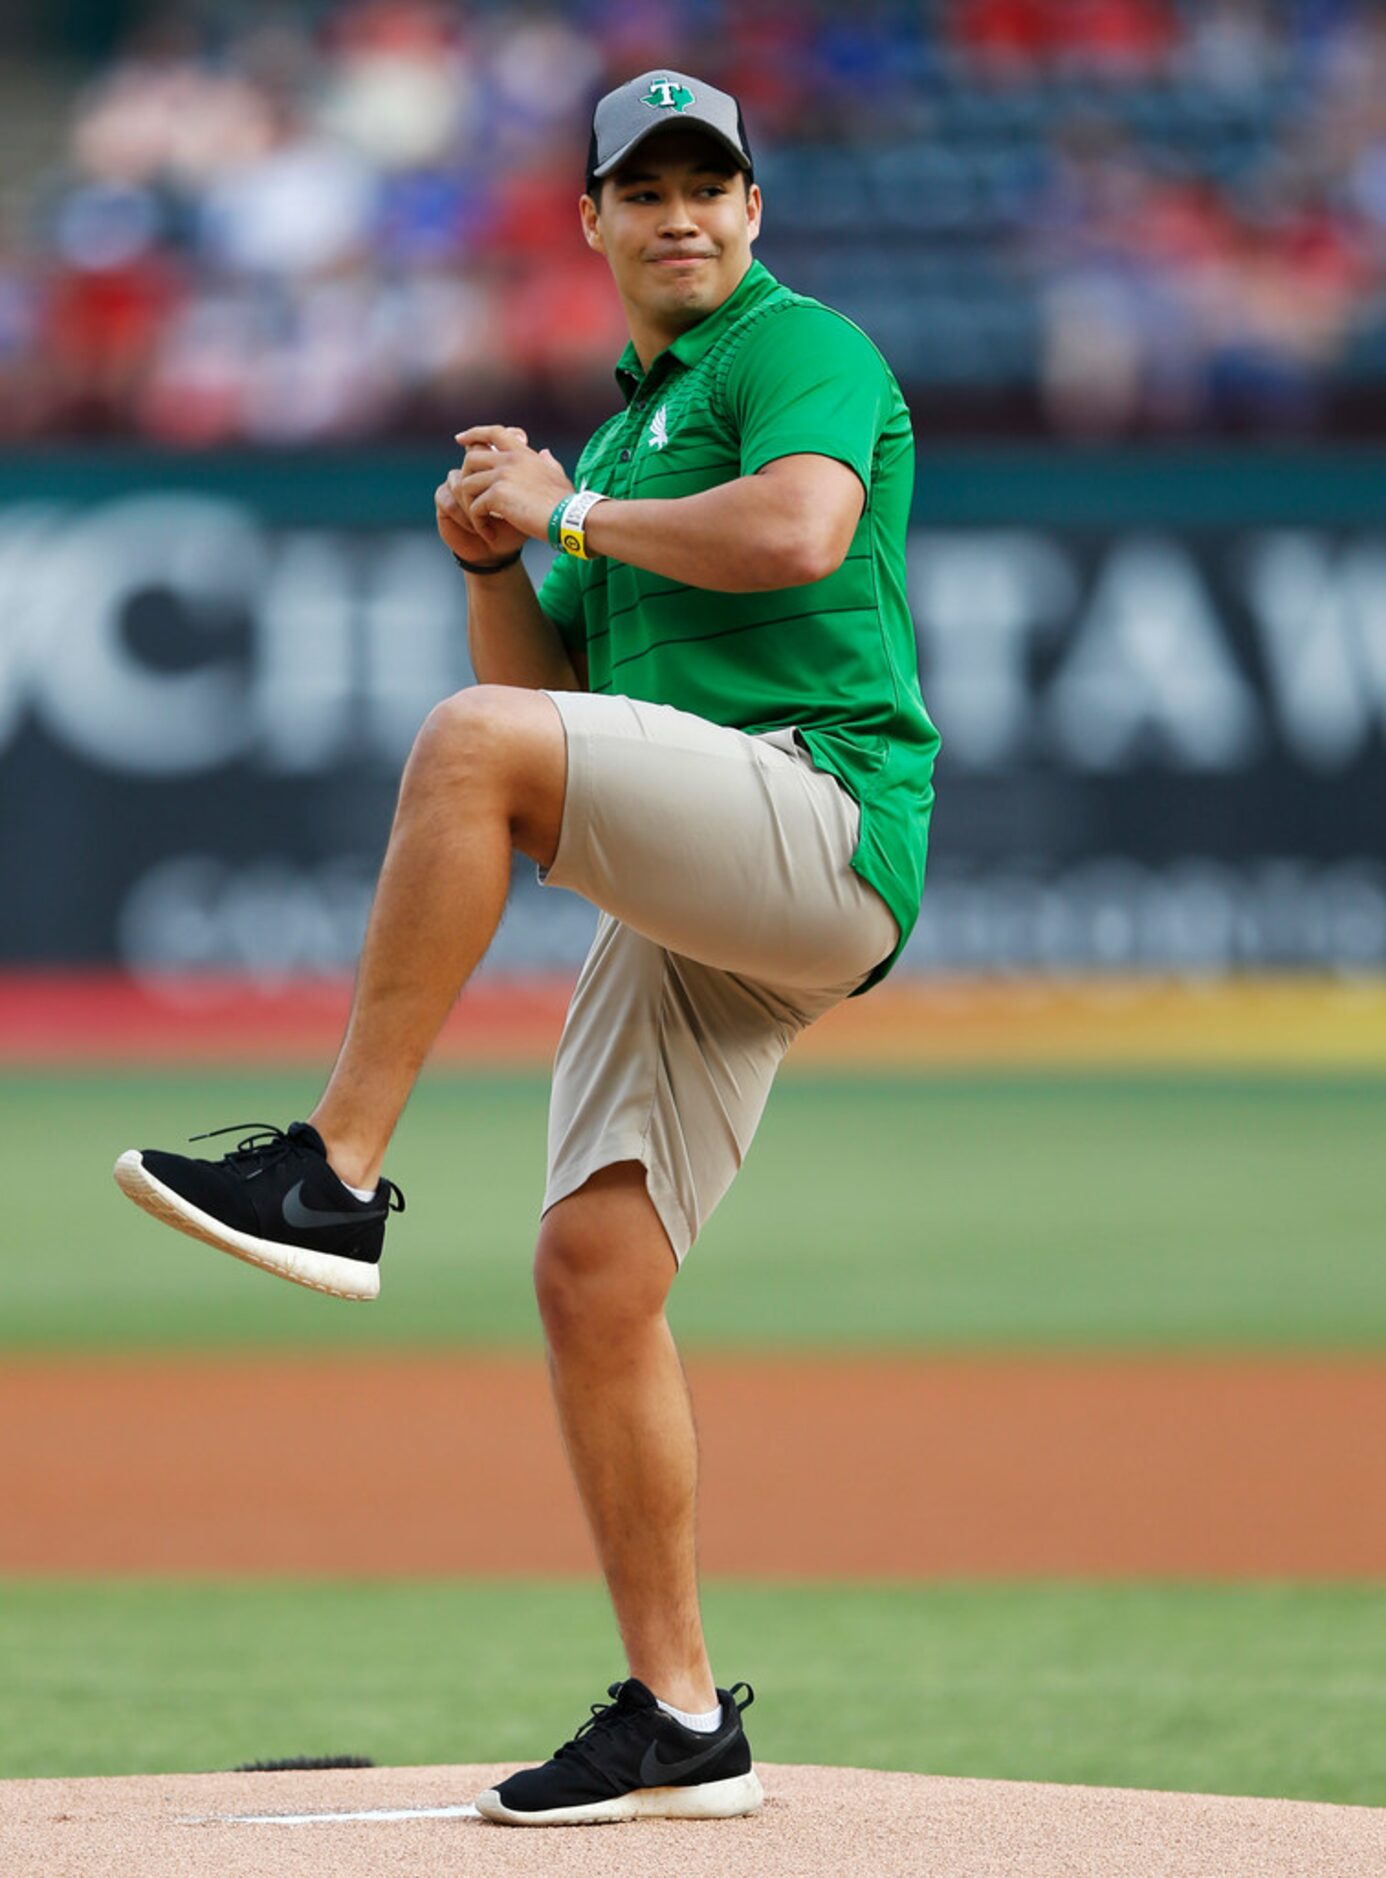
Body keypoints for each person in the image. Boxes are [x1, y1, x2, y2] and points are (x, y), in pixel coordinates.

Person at [113, 68, 939, 1828]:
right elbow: (548, 705)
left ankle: (330, 1170)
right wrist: (497, 547)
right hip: (708, 877)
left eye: (707, 182)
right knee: (589, 1272)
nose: (680, 213)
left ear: (753, 209)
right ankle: (680, 1714)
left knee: (458, 749)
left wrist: (562, 513)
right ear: (592, 224)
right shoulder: (631, 436)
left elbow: (800, 529)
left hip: (822, 812)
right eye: (641, 189)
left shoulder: (799, 351)